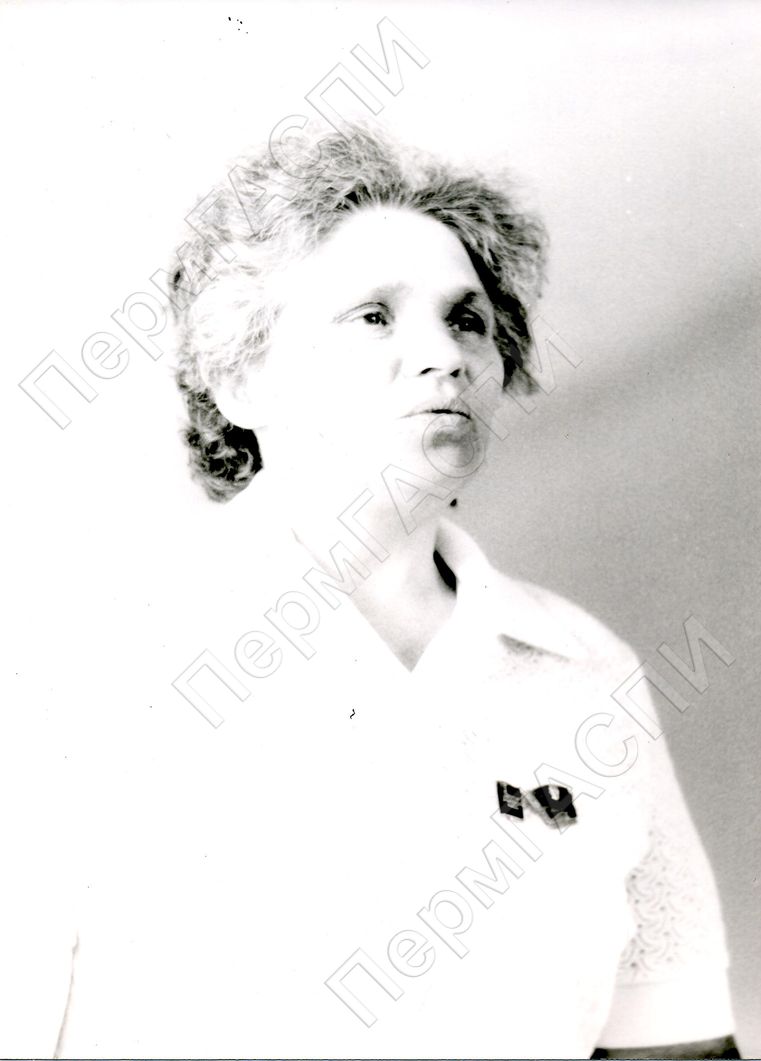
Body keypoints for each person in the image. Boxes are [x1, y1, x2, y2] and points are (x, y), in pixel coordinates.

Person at [37, 126, 738, 1058]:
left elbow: (674, 1042)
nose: (443, 354)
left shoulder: (583, 671)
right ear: (239, 378)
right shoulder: (91, 658)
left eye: (467, 319)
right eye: (374, 316)